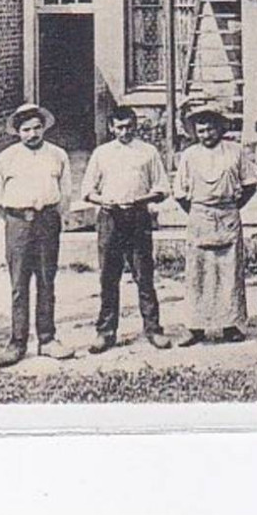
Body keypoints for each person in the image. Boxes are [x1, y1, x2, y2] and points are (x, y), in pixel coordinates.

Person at [0, 102, 74, 367]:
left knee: (47, 281)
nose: (32, 134)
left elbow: (66, 193)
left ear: (44, 128)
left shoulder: (57, 155)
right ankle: (17, 342)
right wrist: (18, 220)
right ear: (18, 132)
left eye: (37, 128)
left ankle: (47, 339)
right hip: (19, 224)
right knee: (19, 285)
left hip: (47, 221)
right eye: (26, 130)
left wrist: (49, 217)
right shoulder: (7, 158)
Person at [82, 106, 173, 353]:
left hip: (138, 217)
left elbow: (162, 188)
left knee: (144, 275)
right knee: (109, 277)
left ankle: (153, 329)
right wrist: (103, 201)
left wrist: (144, 199)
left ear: (136, 125)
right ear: (112, 127)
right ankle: (106, 332)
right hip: (110, 218)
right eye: (119, 127)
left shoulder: (148, 152)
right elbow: (88, 191)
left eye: (129, 126)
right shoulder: (102, 153)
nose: (125, 131)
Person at [171, 105, 255, 345]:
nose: (206, 135)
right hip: (199, 216)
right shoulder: (189, 155)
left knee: (229, 272)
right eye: (201, 131)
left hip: (228, 215)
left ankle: (230, 325)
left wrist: (232, 207)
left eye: (210, 129)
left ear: (219, 129)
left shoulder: (235, 152)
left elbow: (250, 183)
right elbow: (179, 192)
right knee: (198, 273)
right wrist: (198, 211)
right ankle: (196, 328)